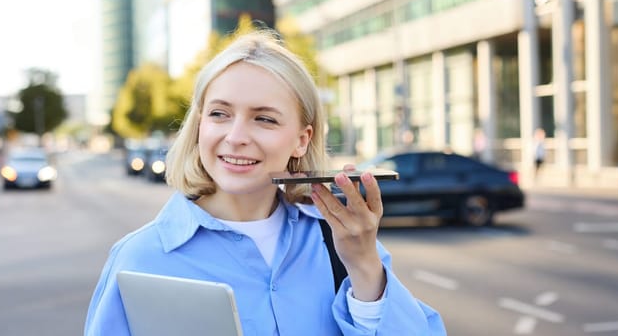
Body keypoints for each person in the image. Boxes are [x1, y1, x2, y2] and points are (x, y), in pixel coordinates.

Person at [84, 30, 445, 335]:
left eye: (265, 119)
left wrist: (365, 268)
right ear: (199, 125)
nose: (236, 136)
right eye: (219, 114)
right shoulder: (141, 258)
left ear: (302, 139)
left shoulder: (344, 246)